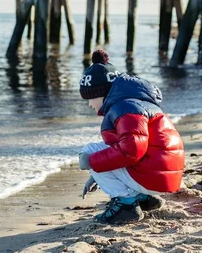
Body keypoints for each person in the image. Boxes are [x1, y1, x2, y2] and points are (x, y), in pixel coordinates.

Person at [77, 50, 185, 225]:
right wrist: (96, 174)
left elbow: (132, 150)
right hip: (163, 175)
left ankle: (126, 205)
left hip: (153, 177)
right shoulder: (135, 103)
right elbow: (134, 146)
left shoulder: (124, 109)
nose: (89, 104)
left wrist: (93, 163)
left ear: (102, 92)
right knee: (98, 153)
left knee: (89, 151)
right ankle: (144, 198)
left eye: (91, 97)